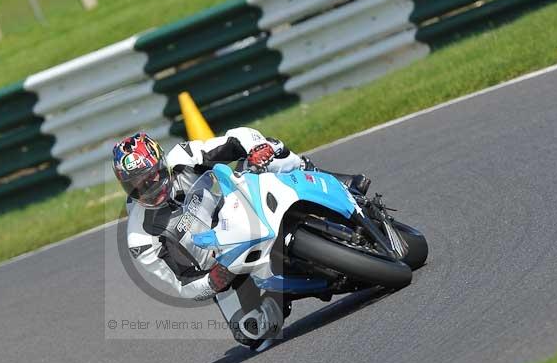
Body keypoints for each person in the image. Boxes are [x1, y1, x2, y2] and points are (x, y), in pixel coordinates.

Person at [112, 128, 370, 349]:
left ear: (161, 164)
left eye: (151, 176)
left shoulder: (183, 158)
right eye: (136, 185)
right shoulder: (141, 236)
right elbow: (179, 283)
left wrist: (256, 148)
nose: (148, 188)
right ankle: (283, 292)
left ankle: (332, 180)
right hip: (227, 265)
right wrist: (212, 281)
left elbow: (235, 139)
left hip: (243, 205)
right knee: (253, 332)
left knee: (271, 151)